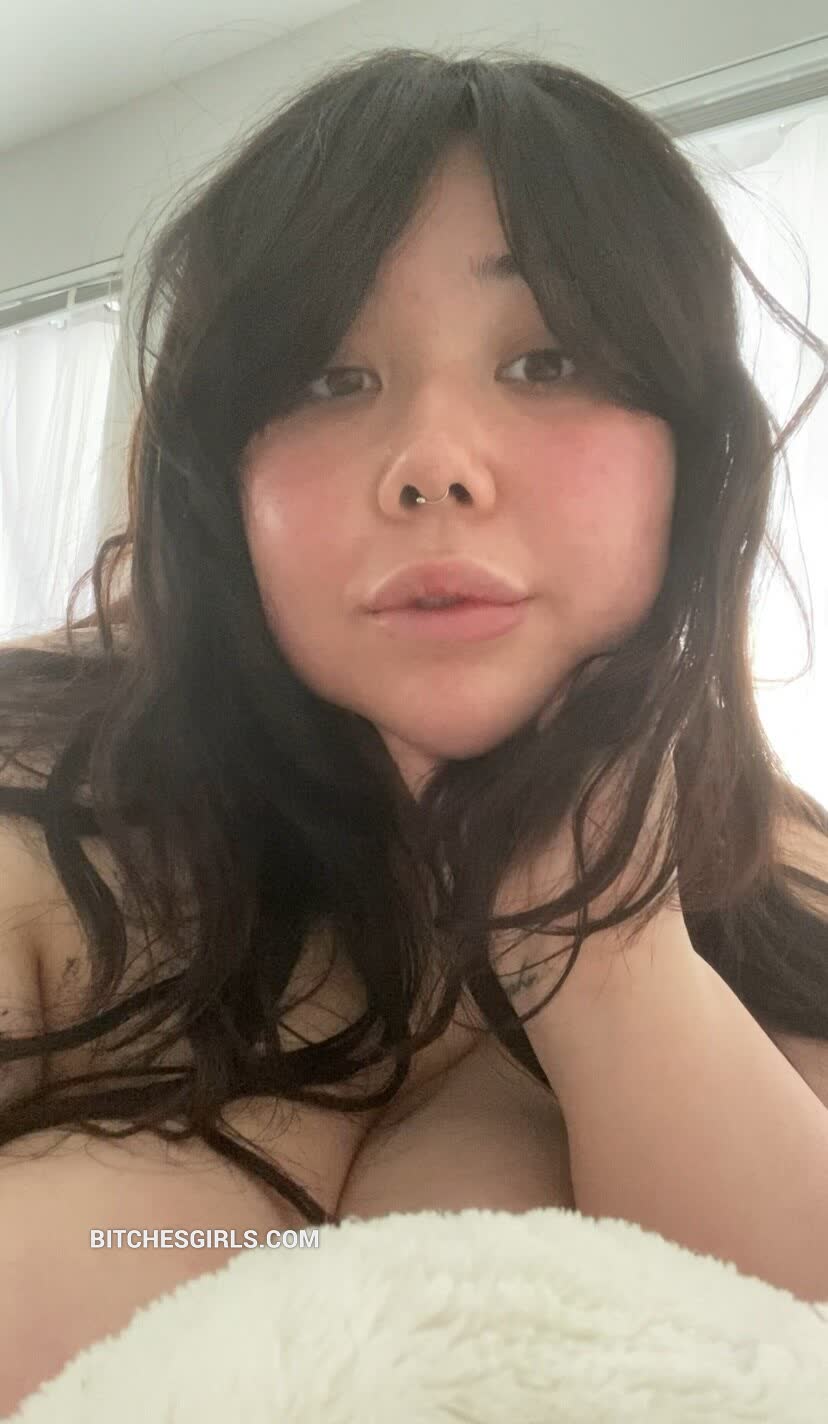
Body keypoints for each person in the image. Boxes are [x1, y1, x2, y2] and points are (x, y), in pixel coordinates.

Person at [2, 44, 828, 1411]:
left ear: (693, 453)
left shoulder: (781, 874)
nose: (434, 462)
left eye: (547, 359)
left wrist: (609, 958)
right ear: (221, 479)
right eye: (328, 379)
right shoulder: (46, 808)